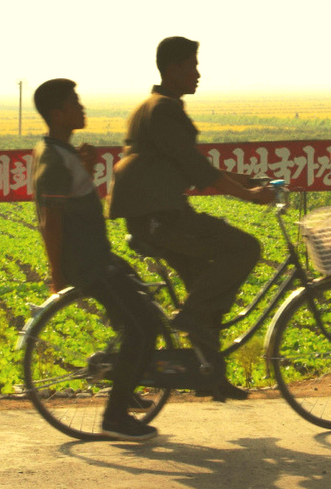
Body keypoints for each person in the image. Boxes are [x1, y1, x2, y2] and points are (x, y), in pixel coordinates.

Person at [108, 36, 273, 402]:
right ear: (173, 69)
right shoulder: (165, 109)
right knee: (245, 247)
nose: (198, 74)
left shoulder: (153, 106)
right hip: (161, 219)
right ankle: (192, 318)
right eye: (192, 66)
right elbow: (199, 172)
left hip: (157, 216)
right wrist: (250, 196)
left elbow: (192, 166)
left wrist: (244, 180)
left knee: (204, 287)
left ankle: (209, 375)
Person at [31, 78, 161, 441]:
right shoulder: (55, 158)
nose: (81, 107)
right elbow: (50, 220)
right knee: (143, 328)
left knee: (139, 309)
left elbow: (74, 198)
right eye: (74, 102)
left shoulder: (60, 150)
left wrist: (86, 166)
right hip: (88, 264)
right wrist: (57, 273)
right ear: (58, 113)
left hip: (98, 255)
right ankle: (115, 417)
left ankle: (126, 377)